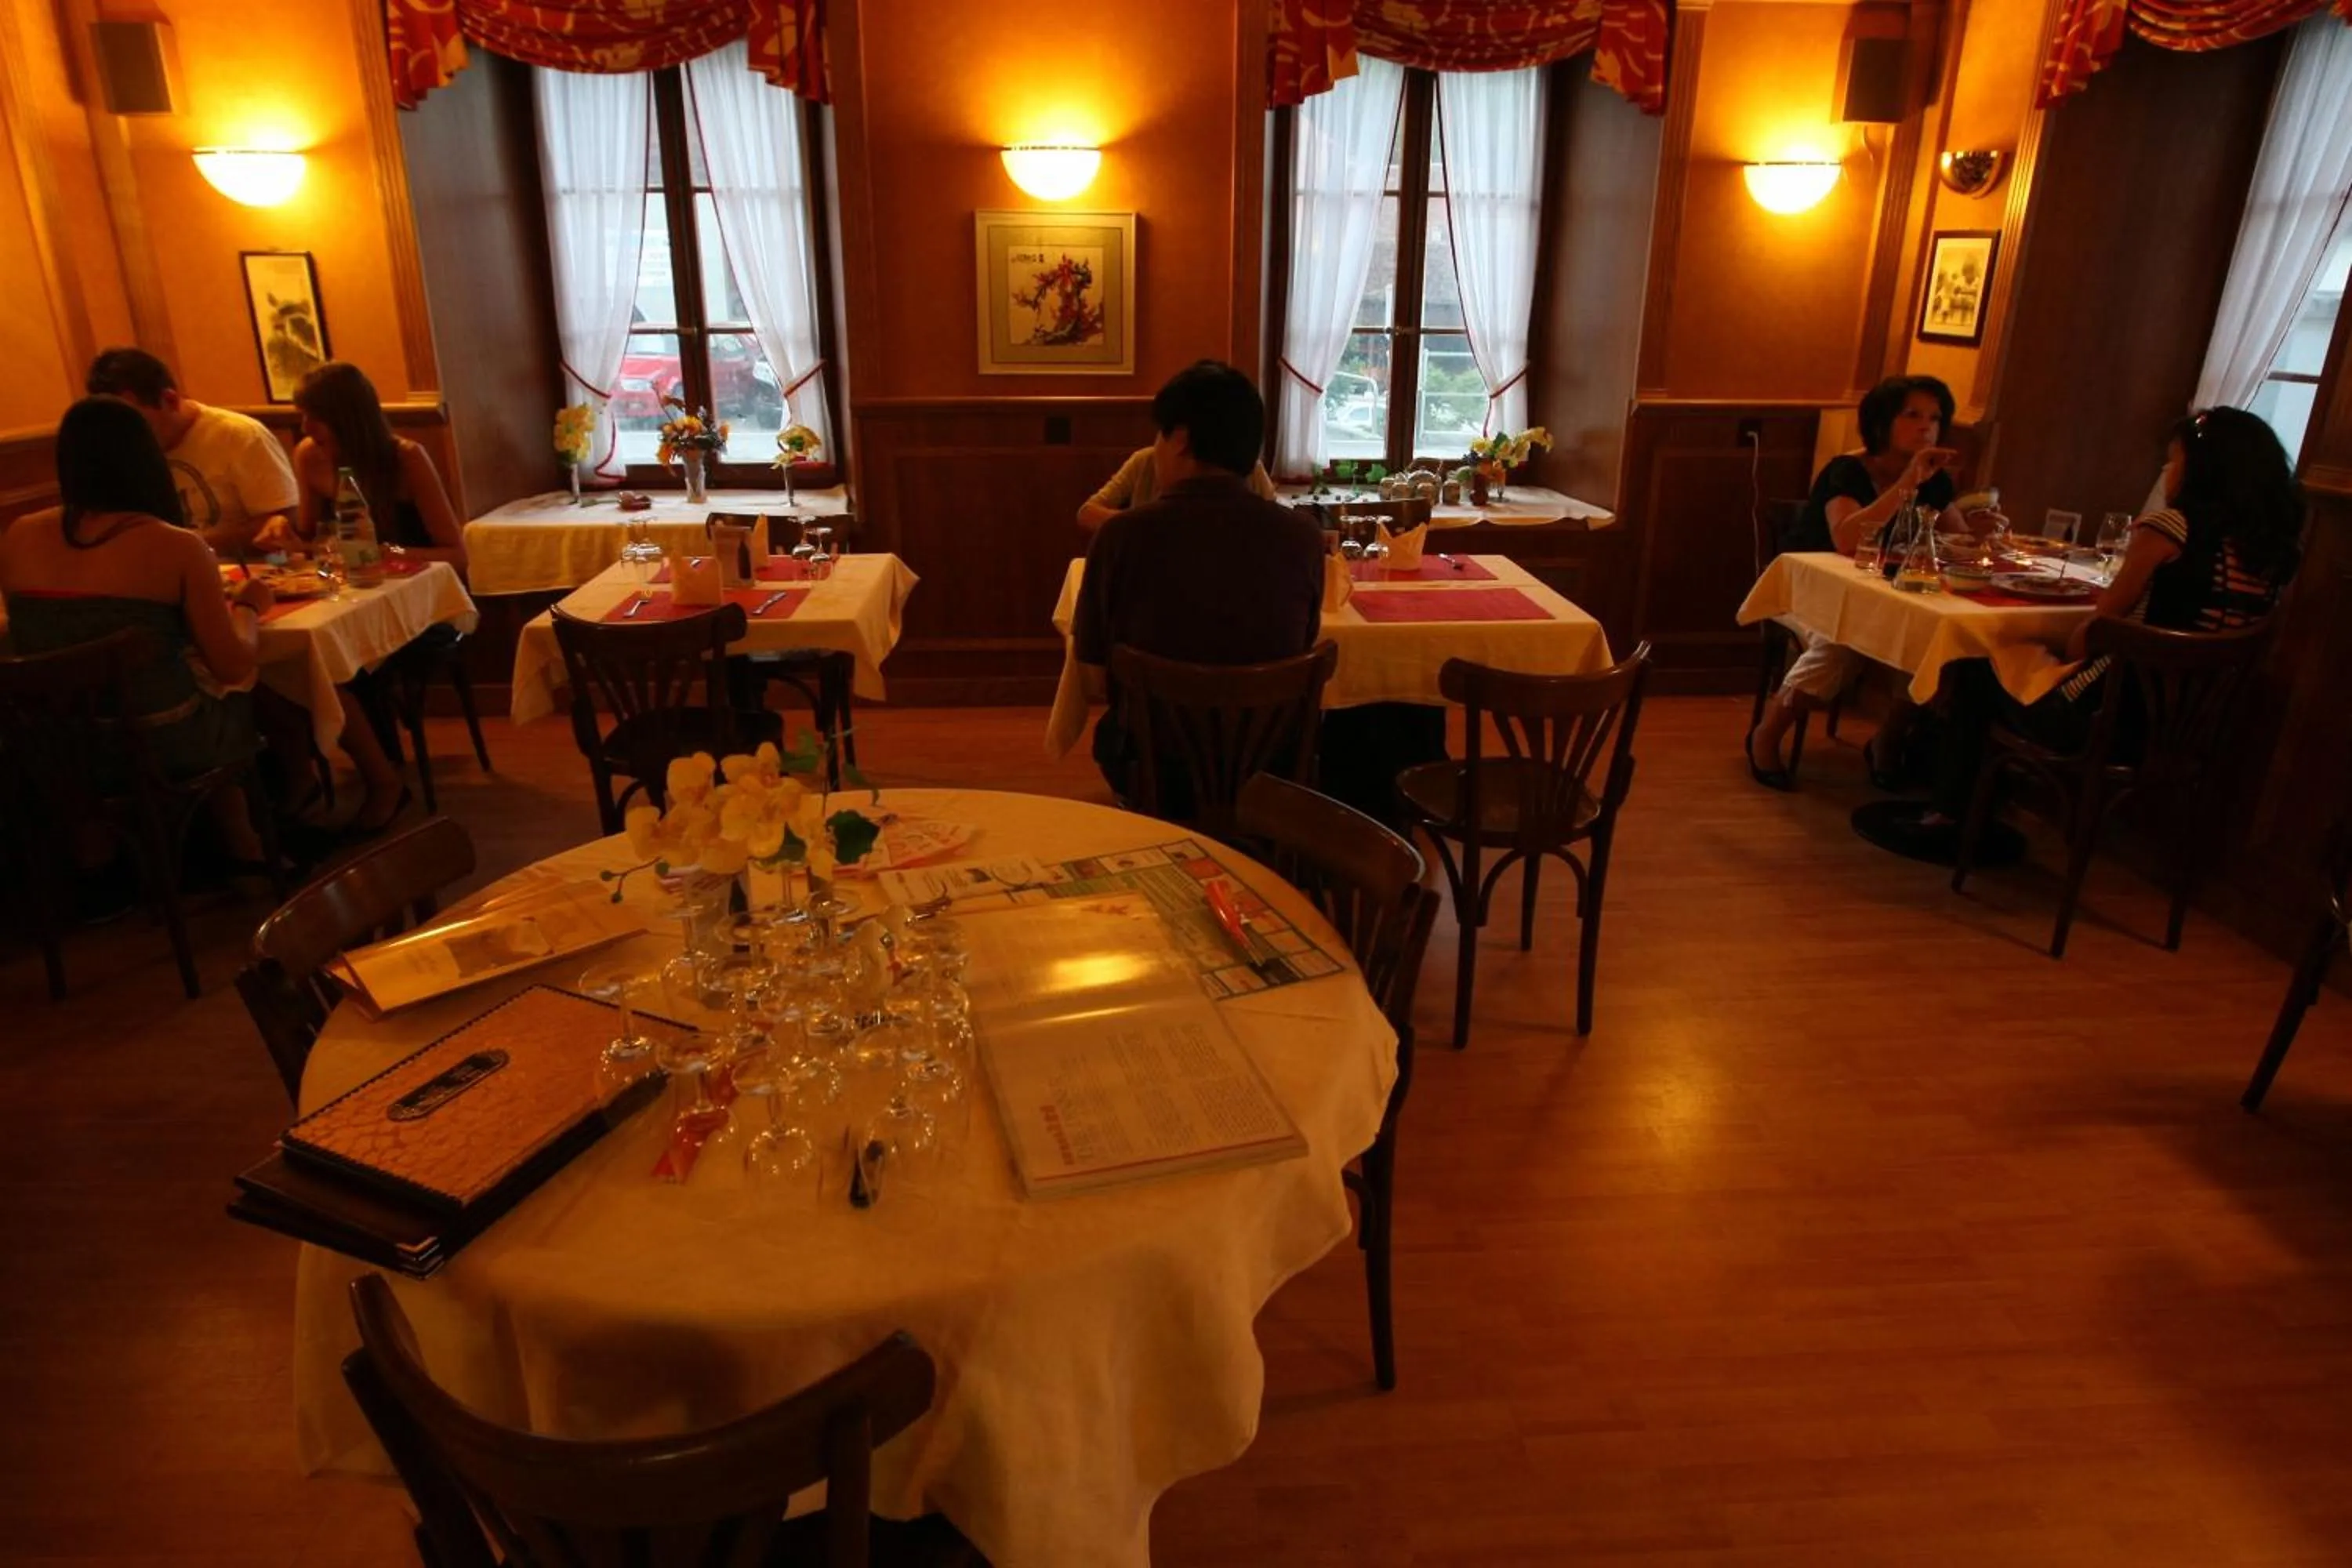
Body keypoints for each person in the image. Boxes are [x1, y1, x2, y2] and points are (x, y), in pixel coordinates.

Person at [1900, 406, 2304, 858]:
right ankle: (1980, 809)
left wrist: (2059, 648)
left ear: (2203, 469)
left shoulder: (2171, 528)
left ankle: (1950, 817)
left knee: (1972, 668)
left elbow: (2095, 632)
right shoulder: (2273, 550)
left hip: (2106, 720)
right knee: (2010, 665)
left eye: (2173, 461)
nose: (2168, 472)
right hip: (2188, 731)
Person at [0, 397, 275, 882]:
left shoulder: (19, 535)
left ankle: (99, 862)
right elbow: (232, 663)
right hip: (164, 745)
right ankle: (245, 844)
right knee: (239, 689)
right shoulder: (175, 546)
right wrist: (250, 606)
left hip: (54, 751)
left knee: (94, 701)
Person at [1073, 361, 1325, 801]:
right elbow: (1301, 645)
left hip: (1153, 768)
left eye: (1159, 435)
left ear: (1181, 440)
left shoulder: (1121, 536)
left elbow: (1093, 679)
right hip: (1270, 768)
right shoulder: (1302, 536)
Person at [1746, 375, 1999, 790]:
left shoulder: (1933, 478)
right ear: (1882, 421)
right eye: (1912, 415)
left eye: (1935, 419)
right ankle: (1767, 734)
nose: (1926, 428)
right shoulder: (1847, 470)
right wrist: (1906, 486)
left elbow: (1956, 542)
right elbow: (1847, 539)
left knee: (1926, 641)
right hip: (1813, 587)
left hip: (1883, 590)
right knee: (1842, 645)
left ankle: (1888, 740)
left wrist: (1983, 533)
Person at [84, 347, 299, 557]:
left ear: (170, 400)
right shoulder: (118, 448)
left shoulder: (240, 435)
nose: (127, 434)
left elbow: (282, 522)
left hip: (248, 574)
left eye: (136, 422)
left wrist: (184, 546)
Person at [278, 361, 467, 568]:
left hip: (413, 584)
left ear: (348, 419)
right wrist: (282, 530)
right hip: (348, 586)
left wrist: (389, 553)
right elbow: (309, 542)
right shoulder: (309, 455)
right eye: (303, 415)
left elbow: (457, 555)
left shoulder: (406, 457)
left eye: (316, 417)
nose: (306, 428)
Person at [1076, 442, 1279, 532]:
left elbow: (1275, 524)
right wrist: (1146, 526)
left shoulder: (1249, 467)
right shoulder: (1146, 461)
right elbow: (1087, 513)